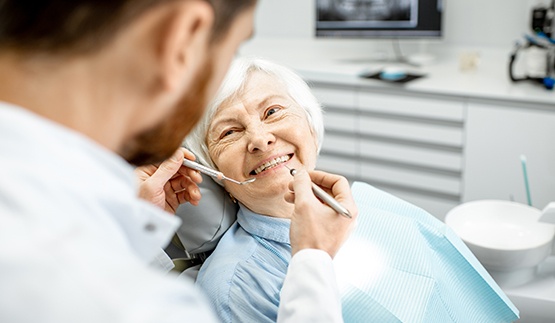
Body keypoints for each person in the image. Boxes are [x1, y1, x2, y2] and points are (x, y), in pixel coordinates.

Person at [0, 1, 357, 322]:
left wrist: (133, 226)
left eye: (274, 111)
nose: (260, 138)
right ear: (183, 38)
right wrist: (312, 260)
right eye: (234, 47)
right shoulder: (143, 304)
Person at [184, 57, 519, 323]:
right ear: (215, 174)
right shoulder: (234, 287)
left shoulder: (372, 206)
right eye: (228, 132)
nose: (259, 139)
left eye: (273, 112)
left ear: (311, 126)